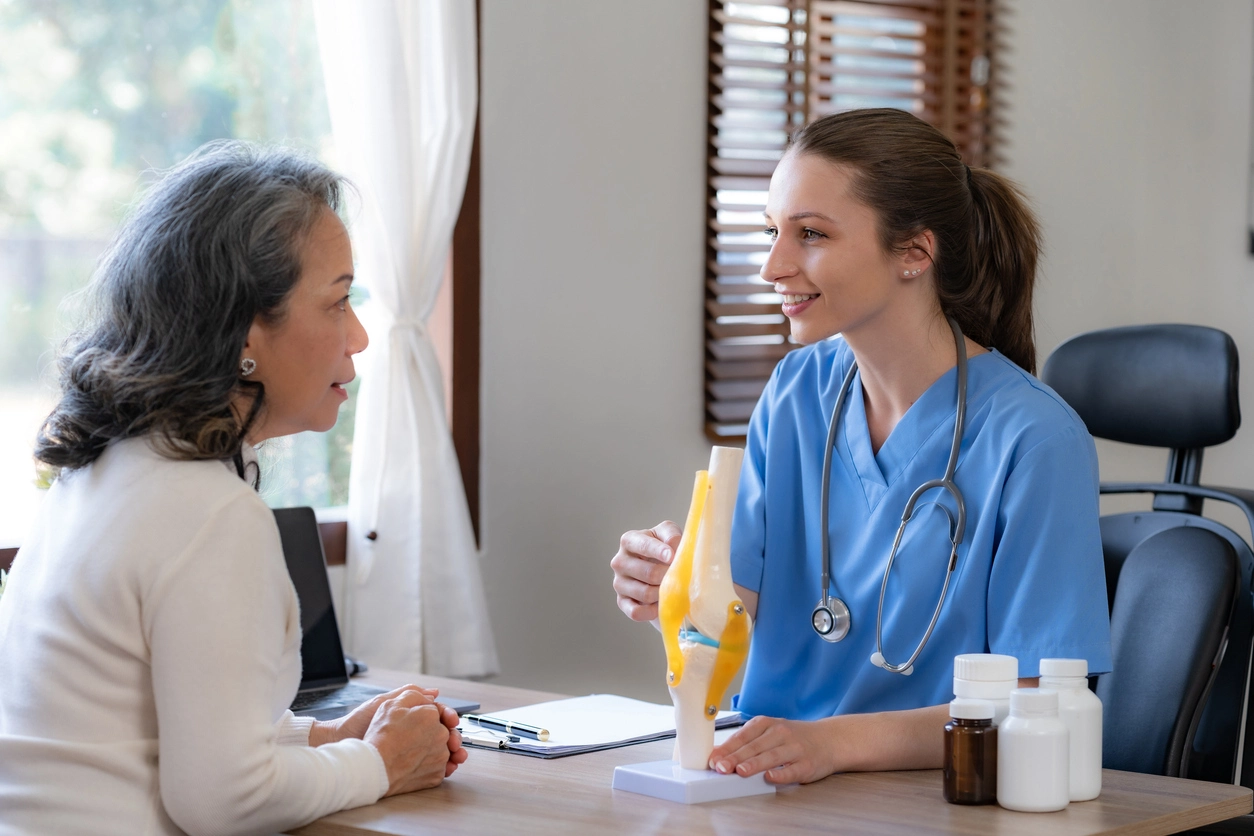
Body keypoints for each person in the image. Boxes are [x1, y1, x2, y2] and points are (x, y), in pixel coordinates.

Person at [611, 108, 1112, 785]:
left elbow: (1036, 703)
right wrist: (673, 585)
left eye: (811, 234)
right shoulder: (795, 391)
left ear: (914, 251)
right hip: (761, 781)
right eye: (772, 232)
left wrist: (831, 744)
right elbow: (733, 611)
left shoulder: (1036, 440)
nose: (771, 266)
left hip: (928, 801)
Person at [0, 143, 466, 835]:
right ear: (246, 330)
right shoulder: (209, 513)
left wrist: (330, 740)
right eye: (338, 301)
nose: (360, 336)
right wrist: (382, 765)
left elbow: (138, 742)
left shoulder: (102, 475)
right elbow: (224, 800)